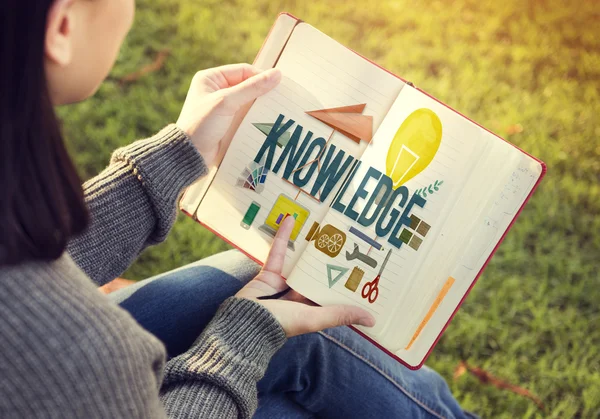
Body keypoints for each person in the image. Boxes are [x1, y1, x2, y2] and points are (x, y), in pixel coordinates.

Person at [0, 0, 474, 417]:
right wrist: (241, 339)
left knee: (251, 284)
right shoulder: (82, 349)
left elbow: (23, 257)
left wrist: (174, 157)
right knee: (296, 346)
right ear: (62, 27)